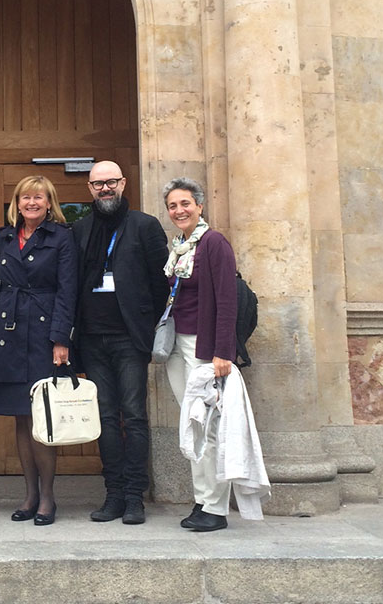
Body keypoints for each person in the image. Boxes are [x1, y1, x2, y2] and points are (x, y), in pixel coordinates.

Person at [72, 161, 169, 525]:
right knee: (106, 417)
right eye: (98, 183)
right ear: (90, 188)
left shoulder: (144, 226)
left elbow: (162, 283)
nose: (105, 188)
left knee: (135, 415)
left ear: (123, 183)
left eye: (111, 181)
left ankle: (134, 497)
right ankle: (113, 494)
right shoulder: (80, 230)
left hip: (131, 338)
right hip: (93, 338)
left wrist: (146, 322)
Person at [0, 175, 78, 526]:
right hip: (7, 335)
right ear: (17, 203)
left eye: (39, 197)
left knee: (42, 418)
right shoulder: (4, 236)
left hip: (43, 336)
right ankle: (29, 495)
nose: (32, 202)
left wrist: (60, 340)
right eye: (26, 197)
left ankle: (48, 497)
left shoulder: (62, 237)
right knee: (21, 419)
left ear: (50, 202)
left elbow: (68, 292)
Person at [162, 176, 237, 532]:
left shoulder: (213, 243)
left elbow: (226, 300)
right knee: (191, 423)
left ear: (200, 206)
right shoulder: (178, 246)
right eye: (173, 206)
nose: (179, 210)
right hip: (178, 343)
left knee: (209, 427)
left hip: (204, 348)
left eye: (185, 204)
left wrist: (223, 351)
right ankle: (202, 498)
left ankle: (216, 508)